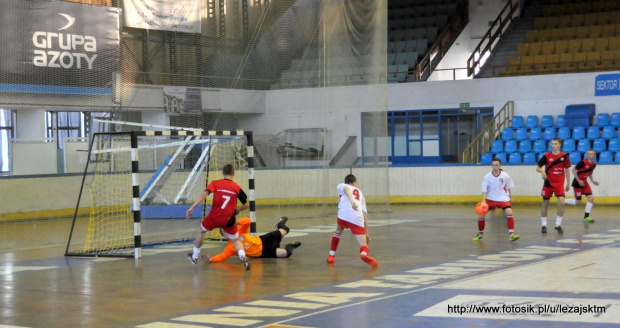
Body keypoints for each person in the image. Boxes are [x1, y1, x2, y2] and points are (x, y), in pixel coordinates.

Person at [186, 164, 251, 270]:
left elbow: (203, 195)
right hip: (229, 219)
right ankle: (243, 257)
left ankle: (194, 257)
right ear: (233, 174)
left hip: (214, 217)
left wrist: (192, 207)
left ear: (223, 173)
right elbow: (246, 205)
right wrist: (237, 211)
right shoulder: (237, 187)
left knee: (201, 231)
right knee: (235, 240)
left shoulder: (215, 183)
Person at [327, 174, 378, 268]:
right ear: (354, 182)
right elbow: (365, 215)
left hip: (343, 216)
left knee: (338, 232)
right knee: (363, 244)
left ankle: (331, 256)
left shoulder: (341, 185)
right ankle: (363, 254)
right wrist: (366, 233)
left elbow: (346, 189)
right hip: (356, 218)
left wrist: (351, 201)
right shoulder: (360, 193)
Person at [201, 217, 302, 263]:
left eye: (229, 229)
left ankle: (279, 223)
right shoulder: (230, 248)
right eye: (226, 232)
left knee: (286, 229)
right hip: (264, 252)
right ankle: (290, 246)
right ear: (224, 237)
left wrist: (237, 223)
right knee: (287, 254)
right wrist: (211, 259)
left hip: (264, 240)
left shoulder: (240, 232)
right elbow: (222, 256)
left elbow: (248, 221)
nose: (229, 232)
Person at [473, 158, 520, 242]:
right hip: (490, 199)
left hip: (503, 198)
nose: (495, 167)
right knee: (481, 215)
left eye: (496, 165)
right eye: (493, 165)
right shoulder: (487, 177)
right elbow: (484, 190)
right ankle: (480, 234)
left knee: (509, 212)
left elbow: (509, 187)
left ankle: (512, 234)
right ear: (491, 166)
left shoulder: (505, 175)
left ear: (500, 166)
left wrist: (510, 197)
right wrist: (483, 201)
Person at [536, 137, 571, 234]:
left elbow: (567, 170)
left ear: (559, 145)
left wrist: (568, 183)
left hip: (559, 184)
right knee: (545, 204)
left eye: (555, 144)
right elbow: (537, 167)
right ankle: (543, 225)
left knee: (562, 202)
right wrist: (543, 171)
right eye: (552, 144)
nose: (553, 145)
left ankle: (558, 225)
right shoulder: (547, 156)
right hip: (548, 183)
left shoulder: (564, 156)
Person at [564, 149, 599, 222]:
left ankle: (586, 217)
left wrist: (593, 181)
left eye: (591, 154)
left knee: (591, 199)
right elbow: (573, 170)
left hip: (585, 183)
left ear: (594, 155)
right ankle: (562, 200)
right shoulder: (583, 162)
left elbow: (590, 174)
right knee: (578, 202)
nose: (590, 155)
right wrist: (578, 180)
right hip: (577, 183)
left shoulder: (593, 164)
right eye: (588, 154)